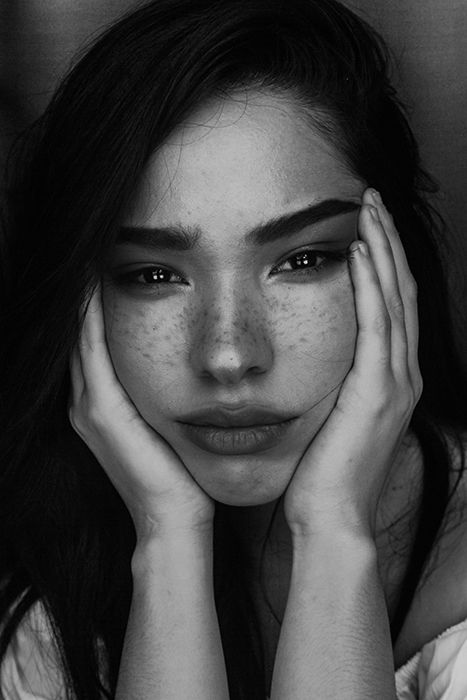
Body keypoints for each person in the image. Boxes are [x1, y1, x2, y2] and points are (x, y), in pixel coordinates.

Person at [1, 0, 466, 697]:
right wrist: (165, 543)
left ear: (399, 263)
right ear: (77, 297)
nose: (226, 354)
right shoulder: (33, 595)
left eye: (304, 260)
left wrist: (334, 533)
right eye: (153, 275)